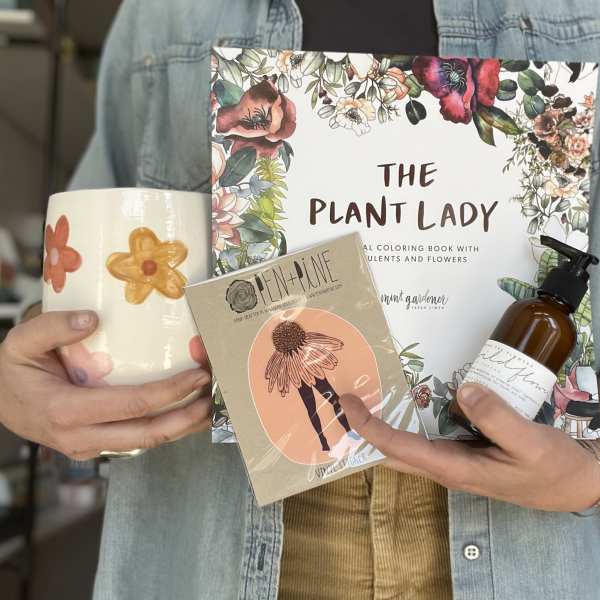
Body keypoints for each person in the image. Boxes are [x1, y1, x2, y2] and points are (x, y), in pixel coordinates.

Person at [1, 1, 600, 598]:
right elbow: (81, 259)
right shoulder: (165, 13)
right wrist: (32, 368)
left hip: (523, 557)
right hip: (211, 548)